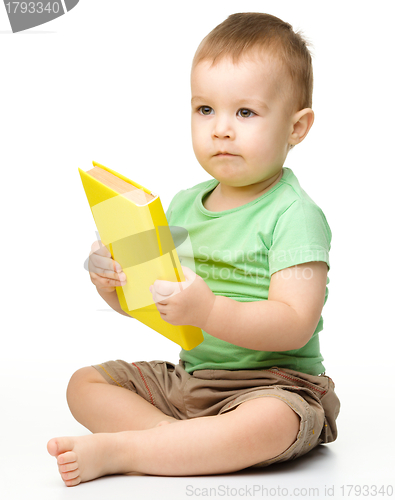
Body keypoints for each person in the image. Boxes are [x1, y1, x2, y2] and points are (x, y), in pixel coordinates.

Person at [47, 12, 340, 486]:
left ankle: (135, 448)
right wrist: (113, 286)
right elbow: (160, 306)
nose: (221, 129)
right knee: (84, 384)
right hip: (193, 380)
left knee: (270, 423)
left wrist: (208, 309)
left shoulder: (294, 214)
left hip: (273, 385)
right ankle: (178, 443)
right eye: (205, 110)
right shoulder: (184, 204)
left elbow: (294, 324)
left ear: (297, 126)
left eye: (245, 112)